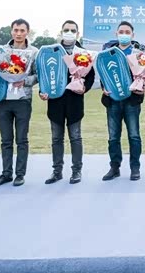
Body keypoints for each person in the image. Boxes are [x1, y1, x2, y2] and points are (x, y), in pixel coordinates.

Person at [40, 20, 95, 185]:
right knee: (56, 138)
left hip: (75, 102)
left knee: (75, 137)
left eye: (72, 30)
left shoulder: (84, 53)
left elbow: (90, 76)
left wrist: (84, 88)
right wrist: (43, 91)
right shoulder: (51, 52)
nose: (69, 33)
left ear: (78, 33)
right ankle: (57, 171)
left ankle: (76, 171)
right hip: (55, 102)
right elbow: (43, 73)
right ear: (61, 32)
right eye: (66, 30)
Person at [0, 18, 38, 187]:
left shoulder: (34, 52)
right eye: (16, 30)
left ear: (27, 32)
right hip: (3, 100)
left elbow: (38, 75)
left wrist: (25, 81)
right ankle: (6, 173)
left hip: (23, 100)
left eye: (22, 30)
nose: (18, 33)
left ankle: (20, 174)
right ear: (11, 31)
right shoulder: (1, 51)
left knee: (22, 139)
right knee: (6, 140)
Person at [101, 21, 145, 182]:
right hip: (112, 100)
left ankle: (135, 168)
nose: (124, 34)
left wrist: (143, 87)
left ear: (133, 35)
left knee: (134, 136)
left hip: (132, 101)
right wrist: (104, 88)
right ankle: (114, 168)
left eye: (127, 32)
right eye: (121, 32)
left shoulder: (138, 54)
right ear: (116, 34)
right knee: (113, 137)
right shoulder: (108, 53)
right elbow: (104, 73)